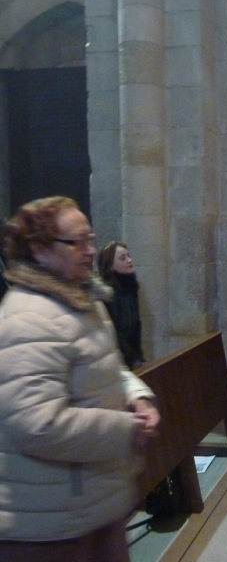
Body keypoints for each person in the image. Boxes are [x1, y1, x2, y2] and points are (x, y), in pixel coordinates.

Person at [0, 196, 160, 562]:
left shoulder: (83, 302)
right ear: (39, 249)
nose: (90, 250)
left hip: (92, 501)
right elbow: (37, 424)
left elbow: (111, 369)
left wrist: (139, 397)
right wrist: (127, 429)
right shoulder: (28, 318)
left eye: (91, 239)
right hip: (47, 520)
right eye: (77, 242)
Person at [98, 241, 146, 370]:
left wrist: (139, 356)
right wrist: (132, 360)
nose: (129, 260)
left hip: (132, 357)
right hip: (116, 361)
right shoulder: (106, 293)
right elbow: (114, 332)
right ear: (109, 267)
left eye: (128, 256)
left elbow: (136, 326)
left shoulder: (130, 287)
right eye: (122, 258)